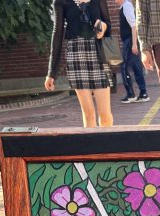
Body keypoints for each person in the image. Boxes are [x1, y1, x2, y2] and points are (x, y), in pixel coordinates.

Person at [46, 0, 114, 128]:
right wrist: (51, 72)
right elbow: (57, 34)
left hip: (98, 54)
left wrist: (104, 26)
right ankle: (92, 147)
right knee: (89, 113)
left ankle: (106, 145)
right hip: (76, 56)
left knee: (105, 116)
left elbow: (109, 26)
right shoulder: (60, 2)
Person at [115, 0, 149, 103]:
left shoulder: (126, 6)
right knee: (136, 67)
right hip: (130, 41)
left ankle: (131, 95)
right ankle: (143, 93)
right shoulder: (125, 6)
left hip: (130, 41)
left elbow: (134, 26)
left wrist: (134, 44)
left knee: (124, 67)